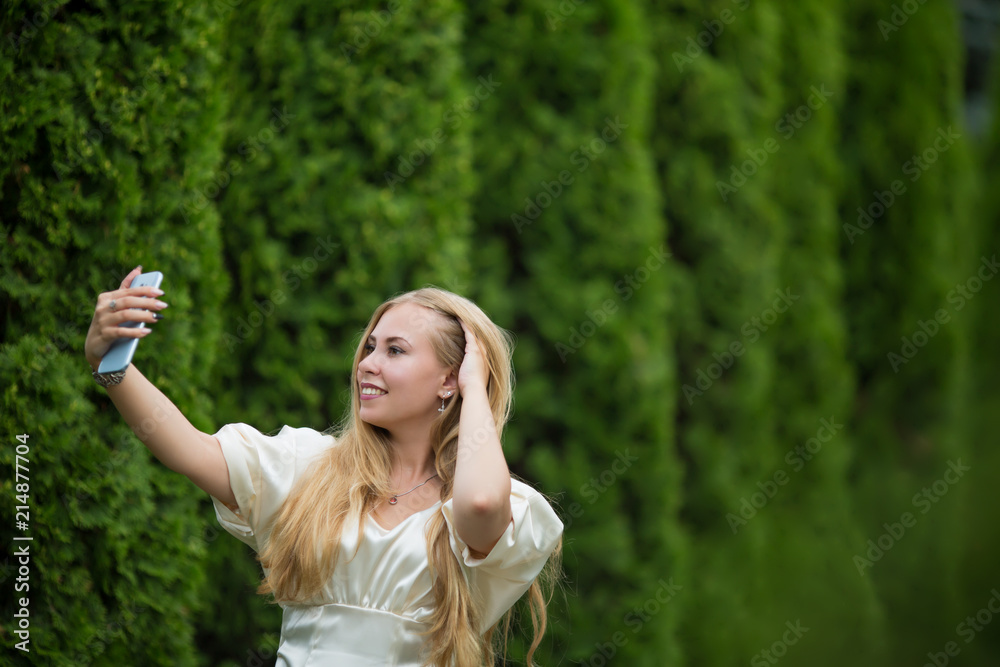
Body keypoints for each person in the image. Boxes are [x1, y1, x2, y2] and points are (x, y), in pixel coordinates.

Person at [84, 265, 564, 666]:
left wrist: (476, 385)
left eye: (394, 350)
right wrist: (112, 368)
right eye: (370, 346)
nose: (367, 364)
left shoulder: (501, 502)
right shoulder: (311, 468)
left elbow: (480, 503)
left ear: (448, 380)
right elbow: (189, 449)